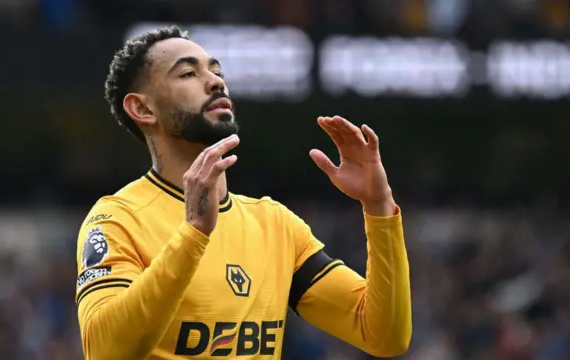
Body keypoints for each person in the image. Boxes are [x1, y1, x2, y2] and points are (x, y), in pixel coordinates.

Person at [75, 25, 411, 360]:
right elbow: (106, 351)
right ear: (143, 109)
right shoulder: (117, 220)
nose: (216, 81)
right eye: (189, 73)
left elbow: (384, 336)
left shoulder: (275, 225)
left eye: (217, 71)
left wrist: (379, 207)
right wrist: (192, 236)